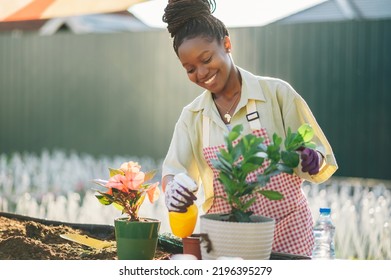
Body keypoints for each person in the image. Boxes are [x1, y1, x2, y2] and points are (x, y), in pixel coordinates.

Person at [161, 0, 338, 257]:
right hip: (223, 238)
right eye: (190, 69)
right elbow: (172, 173)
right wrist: (174, 190)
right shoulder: (193, 116)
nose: (201, 73)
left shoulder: (277, 94)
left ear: (227, 44)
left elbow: (319, 156)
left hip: (288, 235)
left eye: (206, 59)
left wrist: (311, 158)